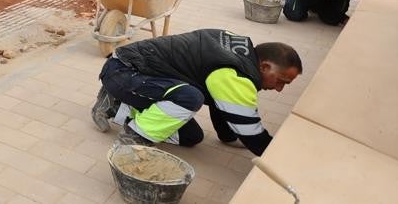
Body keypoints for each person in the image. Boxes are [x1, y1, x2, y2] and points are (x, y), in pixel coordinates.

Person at [91, 29, 301, 155]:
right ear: (264, 66)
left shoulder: (240, 50)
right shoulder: (234, 74)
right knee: (190, 97)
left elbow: (223, 105)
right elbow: (252, 135)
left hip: (141, 75)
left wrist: (228, 137)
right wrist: (281, 158)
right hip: (125, 71)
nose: (279, 89)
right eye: (281, 81)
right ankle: (133, 138)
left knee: (191, 137)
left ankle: (115, 106)